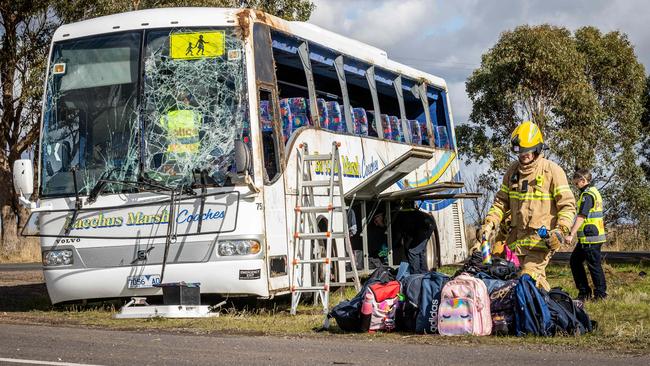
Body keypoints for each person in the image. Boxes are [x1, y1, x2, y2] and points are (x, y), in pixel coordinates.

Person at [479, 121, 576, 291]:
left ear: (538, 148)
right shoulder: (512, 172)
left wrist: (561, 230)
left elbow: (567, 206)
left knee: (528, 280)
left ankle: (544, 312)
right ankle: (542, 310)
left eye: (527, 151)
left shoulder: (552, 171)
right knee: (514, 283)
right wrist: (489, 224)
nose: (523, 155)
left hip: (541, 240)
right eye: (520, 151)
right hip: (515, 242)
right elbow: (501, 202)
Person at [565, 169, 607, 300]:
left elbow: (582, 216)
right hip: (588, 237)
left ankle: (600, 295)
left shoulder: (587, 195)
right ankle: (585, 292)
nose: (576, 186)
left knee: (594, 266)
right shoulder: (593, 192)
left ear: (583, 181)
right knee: (575, 261)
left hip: (591, 237)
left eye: (576, 183)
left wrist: (571, 234)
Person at [391, 203, 435, 274]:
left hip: (423, 226)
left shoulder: (395, 219)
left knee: (413, 251)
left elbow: (398, 236)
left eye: (376, 221)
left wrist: (392, 246)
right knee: (420, 251)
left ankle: (415, 275)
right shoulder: (399, 215)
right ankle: (423, 274)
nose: (377, 223)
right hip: (429, 223)